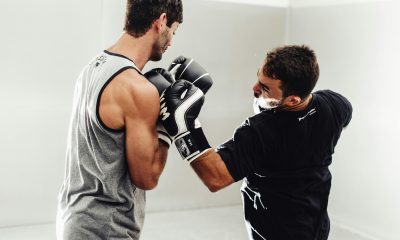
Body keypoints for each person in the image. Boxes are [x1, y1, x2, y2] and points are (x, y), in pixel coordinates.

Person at [161, 45, 353, 240]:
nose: (254, 89)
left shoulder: (262, 131)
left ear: (293, 100)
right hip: (317, 228)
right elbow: (343, 121)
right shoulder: (334, 104)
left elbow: (215, 177)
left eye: (265, 88)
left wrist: (184, 126)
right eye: (258, 79)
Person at [56, 1, 183, 239]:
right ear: (162, 21)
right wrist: (166, 125)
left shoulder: (92, 67)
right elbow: (147, 178)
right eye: (173, 31)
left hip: (73, 220)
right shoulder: (137, 89)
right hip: (105, 228)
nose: (171, 42)